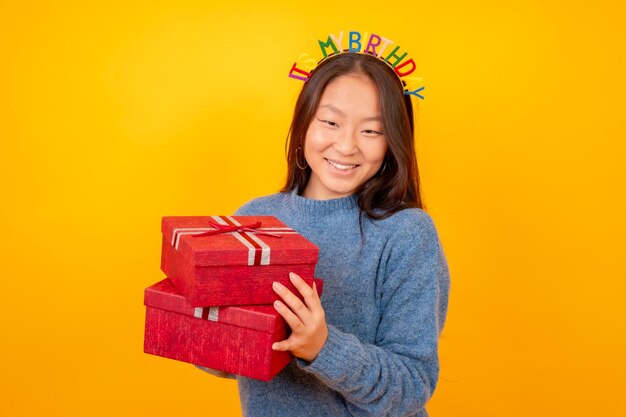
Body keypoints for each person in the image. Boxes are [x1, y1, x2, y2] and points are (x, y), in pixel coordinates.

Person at [202, 51, 450, 417]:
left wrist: (323, 347)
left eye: (371, 130)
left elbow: (412, 383)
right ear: (303, 125)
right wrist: (204, 329)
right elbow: (227, 362)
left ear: (391, 142)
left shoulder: (407, 233)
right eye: (331, 122)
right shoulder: (253, 220)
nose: (347, 145)